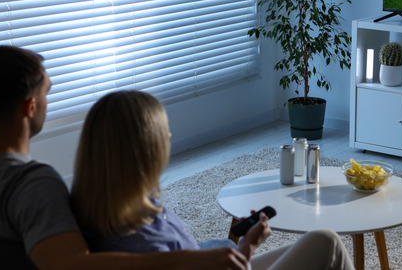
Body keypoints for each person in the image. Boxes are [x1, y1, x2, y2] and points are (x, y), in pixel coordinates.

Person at [0, 45, 273, 270]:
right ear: (30, 106)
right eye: (46, 93)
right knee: (306, 249)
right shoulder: (34, 185)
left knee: (220, 245)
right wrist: (188, 259)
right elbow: (73, 265)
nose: (47, 102)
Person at [71, 89, 354, 270]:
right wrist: (246, 249)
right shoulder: (141, 243)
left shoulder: (113, 210)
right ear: (144, 151)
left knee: (321, 243)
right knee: (325, 241)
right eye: (163, 132)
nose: (169, 136)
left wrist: (239, 250)